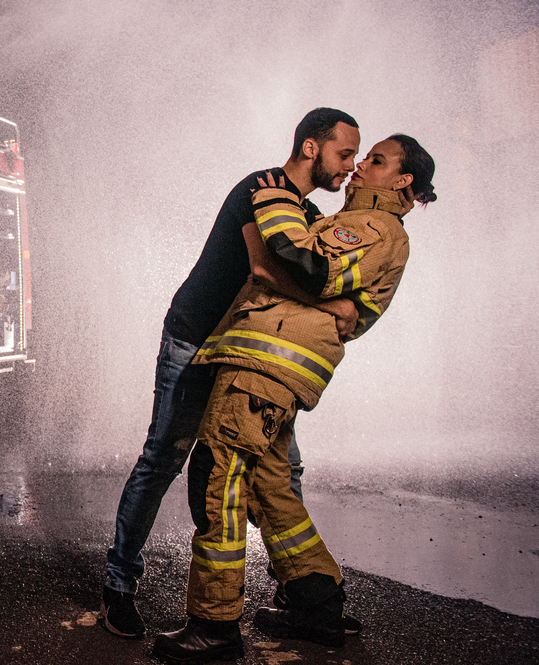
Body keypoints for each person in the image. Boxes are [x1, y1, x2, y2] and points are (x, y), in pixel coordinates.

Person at [152, 135, 437, 663]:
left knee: (221, 477)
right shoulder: (365, 224)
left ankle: (213, 627)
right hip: (272, 365)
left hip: (267, 365)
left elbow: (307, 267)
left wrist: (275, 201)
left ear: (403, 181)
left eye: (374, 161)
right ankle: (316, 602)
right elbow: (333, 295)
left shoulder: (376, 227)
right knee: (268, 486)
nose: (357, 168)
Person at [101, 108, 363, 638]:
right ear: (311, 147)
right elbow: (266, 267)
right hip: (195, 336)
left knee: (282, 468)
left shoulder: (309, 211)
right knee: (163, 458)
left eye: (358, 158)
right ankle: (118, 585)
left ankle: (292, 589)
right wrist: (334, 306)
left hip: (245, 351)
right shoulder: (262, 187)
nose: (350, 167)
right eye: (345, 153)